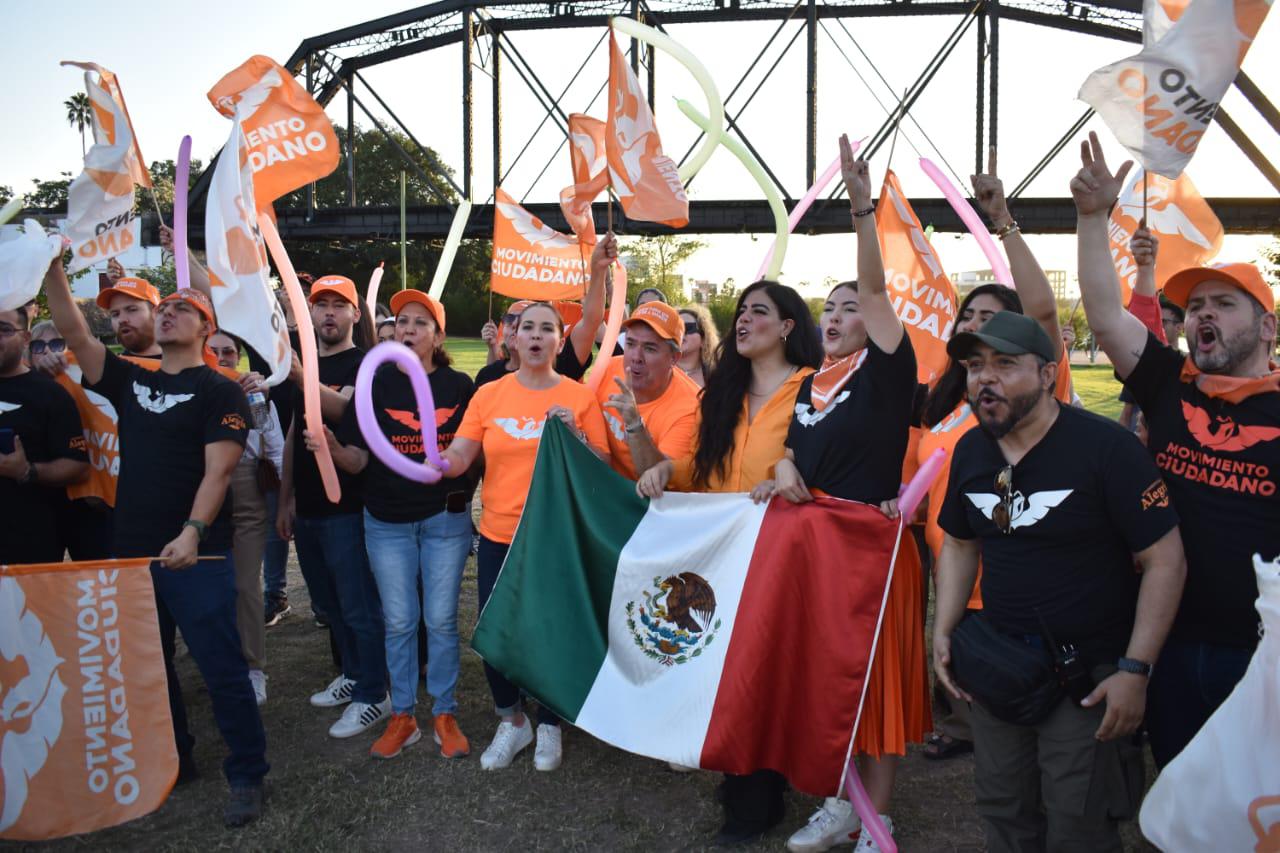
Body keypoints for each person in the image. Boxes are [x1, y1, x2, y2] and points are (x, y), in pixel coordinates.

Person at [933, 310, 1185, 852]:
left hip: (1086, 678)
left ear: (1048, 374)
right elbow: (958, 543)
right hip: (1000, 666)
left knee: (1079, 821)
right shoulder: (973, 450)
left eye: (1004, 364)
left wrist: (1135, 670)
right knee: (1004, 807)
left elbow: (1166, 560)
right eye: (976, 366)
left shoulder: (1106, 449)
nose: (984, 378)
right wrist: (944, 631)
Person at [1071, 131, 1280, 768]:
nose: (1201, 316)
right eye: (1193, 307)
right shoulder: (1169, 381)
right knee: (1177, 783)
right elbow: (1107, 317)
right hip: (1167, 635)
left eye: (1223, 304)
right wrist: (1089, 218)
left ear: (1267, 326)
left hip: (1261, 648)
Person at [42, 258, 269, 827]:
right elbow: (73, 331)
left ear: (206, 328)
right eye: (163, 307)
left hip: (198, 553)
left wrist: (192, 533)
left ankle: (246, 772)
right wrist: (51, 270)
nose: (166, 313)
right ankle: (178, 759)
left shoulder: (222, 392)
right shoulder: (130, 379)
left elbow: (218, 474)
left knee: (220, 668)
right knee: (150, 664)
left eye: (180, 309)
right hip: (131, 551)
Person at [637, 279, 822, 844]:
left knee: (764, 674)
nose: (743, 320)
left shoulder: (815, 390)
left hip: (784, 558)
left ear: (788, 326)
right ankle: (746, 778)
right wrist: (665, 470)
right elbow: (693, 467)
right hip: (720, 557)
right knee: (728, 670)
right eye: (740, 312)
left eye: (758, 312)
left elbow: (827, 467)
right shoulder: (720, 393)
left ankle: (755, 798)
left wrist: (792, 474)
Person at [779, 146, 926, 853]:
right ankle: (838, 802)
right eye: (827, 307)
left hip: (875, 552)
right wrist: (780, 465)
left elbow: (874, 292)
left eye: (848, 307)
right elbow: (792, 454)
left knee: (878, 684)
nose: (836, 314)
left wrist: (860, 209)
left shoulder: (890, 374)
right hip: (816, 555)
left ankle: (880, 816)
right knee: (827, 679)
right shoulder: (808, 386)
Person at [435, 301, 610, 773]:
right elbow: (460, 454)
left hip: (555, 537)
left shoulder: (579, 396)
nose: (535, 335)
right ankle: (512, 720)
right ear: (511, 337)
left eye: (546, 329)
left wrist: (575, 434)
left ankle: (550, 722)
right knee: (496, 633)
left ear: (559, 340)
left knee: (551, 631)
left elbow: (603, 465)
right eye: (525, 327)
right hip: (498, 534)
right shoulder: (490, 394)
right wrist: (431, 463)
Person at [320, 290, 478, 761]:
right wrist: (329, 445)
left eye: (421, 323)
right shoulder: (377, 385)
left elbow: (473, 455)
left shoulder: (458, 386)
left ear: (438, 335)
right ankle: (403, 716)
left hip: (443, 522)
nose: (409, 329)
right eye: (402, 321)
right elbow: (358, 459)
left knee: (441, 621)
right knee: (400, 621)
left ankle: (444, 714)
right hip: (386, 522)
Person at [277, 275, 390, 739]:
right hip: (308, 508)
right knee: (327, 603)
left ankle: (374, 694)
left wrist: (298, 371)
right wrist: (285, 498)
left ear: (355, 315)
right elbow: (291, 434)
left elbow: (344, 414)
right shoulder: (301, 365)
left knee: (358, 604)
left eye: (337, 305)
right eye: (319, 304)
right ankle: (351, 674)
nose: (328, 312)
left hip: (347, 506)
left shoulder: (369, 365)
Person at [209, 331, 284, 706]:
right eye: (214, 351)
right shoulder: (193, 389)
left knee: (245, 585)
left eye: (229, 352)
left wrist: (287, 502)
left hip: (244, 494)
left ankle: (254, 667)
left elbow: (276, 448)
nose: (222, 358)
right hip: (197, 497)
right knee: (208, 586)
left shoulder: (253, 394)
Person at [0, 307, 89, 565]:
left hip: (29, 547)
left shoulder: (51, 394)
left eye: (4, 330)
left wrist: (26, 470)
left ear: (25, 339)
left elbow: (78, 467)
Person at [477, 235, 611, 381]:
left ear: (560, 344)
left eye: (547, 328)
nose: (515, 324)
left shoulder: (562, 370)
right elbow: (493, 372)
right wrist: (492, 347)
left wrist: (599, 272)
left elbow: (593, 320)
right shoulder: (489, 379)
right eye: (526, 325)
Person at [595, 301, 700, 480]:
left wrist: (634, 424)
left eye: (650, 348)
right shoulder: (606, 369)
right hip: (602, 488)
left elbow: (658, 480)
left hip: (649, 503)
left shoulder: (691, 407)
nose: (636, 357)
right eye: (630, 343)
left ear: (674, 358)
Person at [677, 304, 718, 389]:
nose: (681, 333)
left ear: (703, 339)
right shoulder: (657, 373)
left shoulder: (717, 376)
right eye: (676, 328)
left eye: (687, 327)